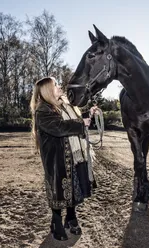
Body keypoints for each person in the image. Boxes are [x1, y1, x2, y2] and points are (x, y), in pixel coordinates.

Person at [30, 77, 97, 241]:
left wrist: (88, 115)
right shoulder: (43, 111)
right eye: (56, 85)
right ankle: (56, 221)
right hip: (56, 159)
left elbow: (71, 120)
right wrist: (81, 124)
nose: (60, 87)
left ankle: (71, 218)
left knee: (74, 187)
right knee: (58, 190)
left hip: (71, 155)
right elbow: (60, 127)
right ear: (47, 91)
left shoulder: (64, 105)